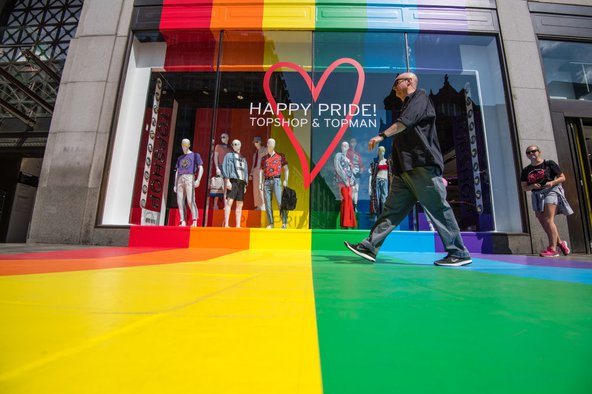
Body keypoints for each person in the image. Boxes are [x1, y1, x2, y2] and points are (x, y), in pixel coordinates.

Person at [344, 72, 472, 266]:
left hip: (422, 165)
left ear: (409, 82)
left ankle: (459, 253)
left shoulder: (420, 97)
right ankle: (370, 246)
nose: (394, 87)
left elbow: (405, 123)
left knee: (438, 208)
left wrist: (381, 136)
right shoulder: (406, 104)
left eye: (397, 83)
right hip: (405, 170)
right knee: (391, 210)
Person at [520, 145, 573, 257]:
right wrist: (532, 186)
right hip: (536, 194)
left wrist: (552, 182)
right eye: (528, 152)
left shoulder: (549, 164)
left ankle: (553, 249)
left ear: (539, 152)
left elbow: (562, 177)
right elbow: (524, 187)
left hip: (550, 191)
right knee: (543, 221)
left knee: (548, 220)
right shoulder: (526, 170)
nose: (531, 154)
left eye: (533, 151)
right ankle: (559, 242)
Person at [173, 138, 203, 227]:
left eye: (186, 145)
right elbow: (177, 172)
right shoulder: (180, 158)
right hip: (180, 178)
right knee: (180, 201)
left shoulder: (195, 155)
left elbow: (201, 167)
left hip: (190, 177)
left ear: (189, 145)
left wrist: (198, 180)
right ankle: (182, 220)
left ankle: (194, 220)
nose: (184, 147)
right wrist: (175, 184)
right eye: (183, 145)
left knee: (190, 200)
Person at [260, 138, 289, 229]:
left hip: (276, 180)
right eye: (270, 143)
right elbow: (261, 171)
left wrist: (286, 180)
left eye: (274, 143)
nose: (272, 144)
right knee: (268, 203)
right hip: (266, 181)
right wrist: (260, 182)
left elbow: (286, 169)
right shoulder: (264, 158)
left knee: (280, 202)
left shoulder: (280, 156)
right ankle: (271, 223)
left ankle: (284, 222)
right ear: (267, 144)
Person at [221, 139, 248, 228]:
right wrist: (227, 180)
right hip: (233, 180)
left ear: (240, 145)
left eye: (236, 144)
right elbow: (225, 167)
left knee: (240, 203)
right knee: (230, 201)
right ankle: (226, 224)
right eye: (233, 144)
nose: (234, 145)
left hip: (241, 182)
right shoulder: (229, 156)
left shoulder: (243, 158)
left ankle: (238, 225)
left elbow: (245, 171)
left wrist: (245, 184)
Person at [335, 141, 357, 229]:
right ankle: (345, 223)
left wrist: (352, 180)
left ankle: (350, 223)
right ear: (341, 147)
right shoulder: (338, 155)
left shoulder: (347, 159)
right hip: (342, 181)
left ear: (348, 148)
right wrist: (345, 179)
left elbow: (351, 171)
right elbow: (337, 167)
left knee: (349, 201)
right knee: (345, 200)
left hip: (349, 182)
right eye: (343, 145)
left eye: (346, 146)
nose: (344, 147)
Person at [369, 146, 392, 216]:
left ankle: (384, 214)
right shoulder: (376, 162)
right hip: (377, 179)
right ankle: (377, 214)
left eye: (383, 151)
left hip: (385, 180)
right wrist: (370, 185)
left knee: (384, 198)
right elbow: (371, 174)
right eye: (380, 151)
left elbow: (390, 172)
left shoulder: (387, 162)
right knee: (377, 198)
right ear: (378, 152)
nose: (381, 152)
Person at [210, 132, 231, 209]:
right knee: (217, 185)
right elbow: (215, 157)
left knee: (226, 186)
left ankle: (226, 205)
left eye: (224, 137)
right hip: (220, 166)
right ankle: (215, 204)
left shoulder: (229, 149)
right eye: (221, 137)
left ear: (227, 138)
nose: (222, 138)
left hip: (227, 168)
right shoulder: (218, 146)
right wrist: (217, 167)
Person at [250, 136, 267, 210]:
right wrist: (251, 174)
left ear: (260, 142)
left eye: (256, 142)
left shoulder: (265, 150)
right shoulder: (255, 154)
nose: (255, 144)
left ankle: (263, 204)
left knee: (261, 187)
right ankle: (258, 205)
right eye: (254, 142)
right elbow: (253, 164)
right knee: (256, 189)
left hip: (262, 170)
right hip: (255, 171)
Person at [347, 137, 364, 210]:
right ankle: (350, 204)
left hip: (357, 173)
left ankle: (355, 205)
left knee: (356, 189)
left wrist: (361, 170)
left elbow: (361, 164)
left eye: (354, 142)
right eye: (351, 142)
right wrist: (352, 168)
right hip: (350, 172)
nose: (353, 143)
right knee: (351, 188)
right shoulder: (347, 152)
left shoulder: (358, 154)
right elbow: (346, 161)